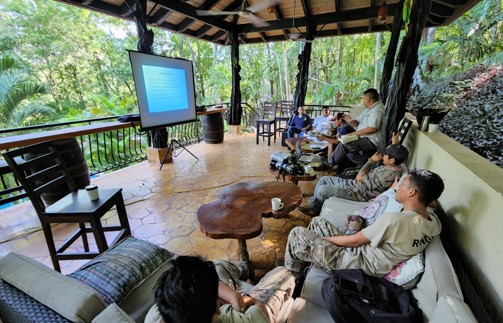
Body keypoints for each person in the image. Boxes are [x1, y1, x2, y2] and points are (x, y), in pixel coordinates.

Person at [285, 169, 445, 281]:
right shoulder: (433, 221)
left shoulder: (395, 220)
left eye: (402, 183)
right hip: (362, 256)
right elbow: (432, 204)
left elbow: (354, 241)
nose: (398, 186)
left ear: (412, 192)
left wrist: (323, 239)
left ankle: (293, 277)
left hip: (355, 265)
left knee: (297, 233)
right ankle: (309, 260)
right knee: (317, 221)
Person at [146, 255, 295, 323]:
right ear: (217, 309)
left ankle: (243, 268)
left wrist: (232, 296)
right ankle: (244, 268)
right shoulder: (234, 319)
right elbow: (257, 308)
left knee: (217, 264)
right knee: (283, 273)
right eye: (216, 304)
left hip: (234, 305)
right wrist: (245, 300)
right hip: (253, 311)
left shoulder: (157, 315)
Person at [298, 143, 409, 217]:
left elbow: (359, 177)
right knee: (324, 179)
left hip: (355, 194)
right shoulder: (392, 165)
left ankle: (318, 211)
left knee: (323, 190)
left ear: (392, 160)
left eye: (385, 155)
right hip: (353, 185)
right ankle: (314, 206)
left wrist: (371, 161)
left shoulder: (387, 176)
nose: (382, 156)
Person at [329, 88, 385, 169]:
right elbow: (357, 122)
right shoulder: (369, 109)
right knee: (346, 146)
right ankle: (364, 163)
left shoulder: (377, 109)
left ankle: (330, 162)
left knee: (345, 145)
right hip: (363, 137)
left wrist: (353, 133)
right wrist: (349, 121)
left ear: (368, 98)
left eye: (363, 98)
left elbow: (372, 129)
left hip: (371, 140)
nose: (363, 101)